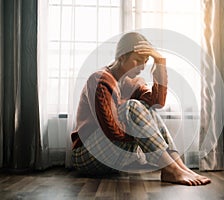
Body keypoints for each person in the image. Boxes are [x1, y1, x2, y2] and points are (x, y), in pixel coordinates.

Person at [71, 32, 211, 186]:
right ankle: (170, 168)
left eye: (145, 61)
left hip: (113, 156)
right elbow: (112, 132)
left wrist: (160, 62)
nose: (142, 67)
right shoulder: (100, 80)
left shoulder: (132, 82)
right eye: (137, 60)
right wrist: (143, 131)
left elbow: (157, 103)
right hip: (87, 156)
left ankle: (179, 166)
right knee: (133, 107)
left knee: (147, 109)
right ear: (121, 57)